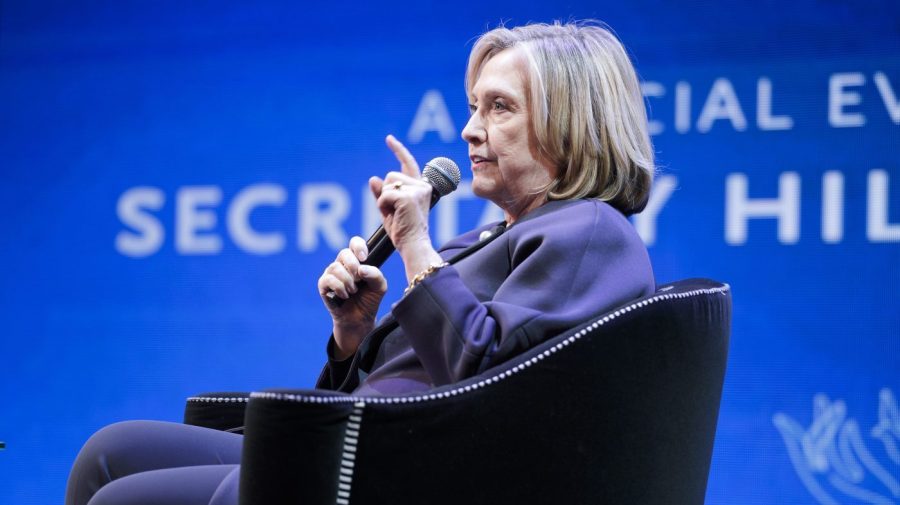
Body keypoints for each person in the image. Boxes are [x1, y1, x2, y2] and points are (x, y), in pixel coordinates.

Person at [66, 20, 656, 505]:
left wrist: (415, 247)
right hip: (363, 442)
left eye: (499, 108)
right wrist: (353, 335)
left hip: (418, 469)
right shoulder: (484, 239)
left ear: (569, 122)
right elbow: (398, 377)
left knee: (126, 500)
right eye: (474, 106)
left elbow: (490, 384)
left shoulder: (590, 233)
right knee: (111, 452)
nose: (470, 130)